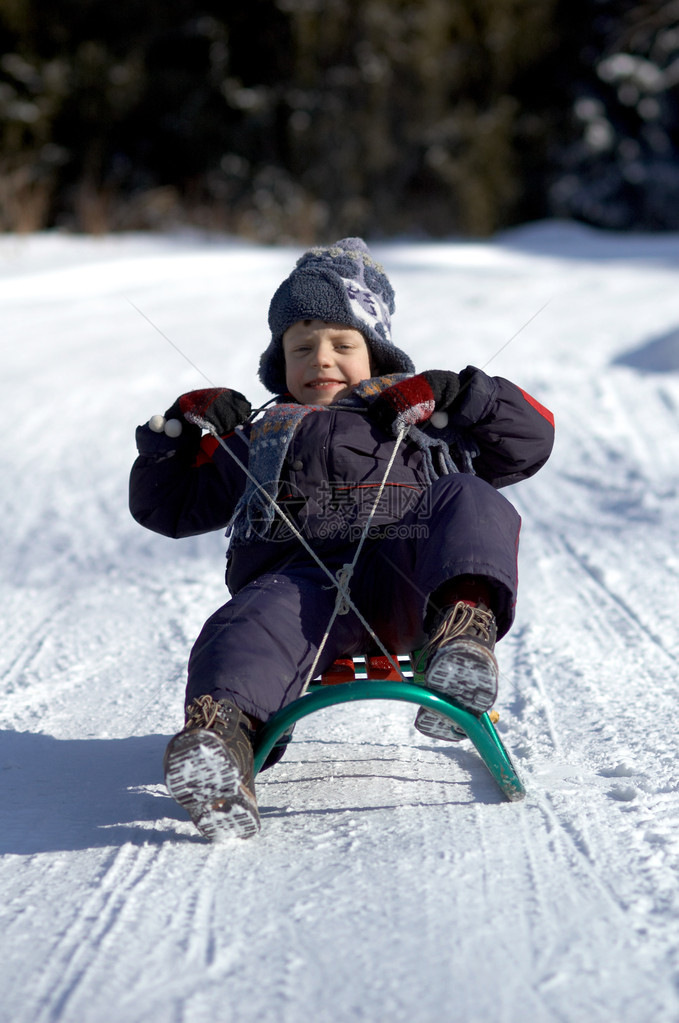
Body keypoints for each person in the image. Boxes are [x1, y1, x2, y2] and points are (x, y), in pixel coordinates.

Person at [129, 238, 554, 841]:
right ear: (280, 363)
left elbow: (529, 441)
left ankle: (462, 639)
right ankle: (224, 741)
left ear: (376, 354)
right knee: (242, 629)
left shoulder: (417, 417)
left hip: (408, 581)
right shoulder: (259, 435)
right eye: (301, 348)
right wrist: (175, 438)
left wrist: (466, 397)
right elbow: (164, 507)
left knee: (471, 497)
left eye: (341, 345)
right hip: (296, 593)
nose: (320, 360)